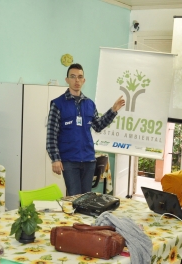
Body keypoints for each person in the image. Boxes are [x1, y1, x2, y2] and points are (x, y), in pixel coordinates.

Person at [46, 63, 125, 196]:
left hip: (88, 160)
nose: (77, 80)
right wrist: (55, 159)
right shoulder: (57, 104)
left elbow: (98, 126)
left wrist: (113, 110)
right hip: (69, 161)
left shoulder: (89, 104)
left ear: (84, 80)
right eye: (73, 77)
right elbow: (51, 135)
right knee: (74, 198)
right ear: (67, 80)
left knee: (86, 199)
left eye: (80, 77)